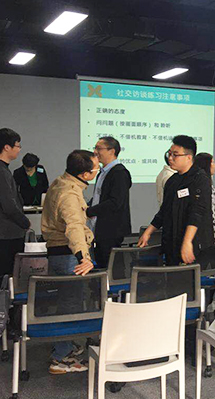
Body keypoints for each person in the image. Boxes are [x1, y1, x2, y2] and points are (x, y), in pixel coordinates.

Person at [42, 149, 99, 374]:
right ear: (85, 174)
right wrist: (83, 257)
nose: (97, 171)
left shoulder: (61, 182)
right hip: (68, 256)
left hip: (59, 253)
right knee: (70, 305)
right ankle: (60, 358)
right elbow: (74, 227)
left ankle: (64, 346)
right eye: (95, 169)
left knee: (65, 303)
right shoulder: (70, 195)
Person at [139, 136, 214, 265]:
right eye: (169, 154)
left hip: (194, 244)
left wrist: (187, 241)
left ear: (189, 157)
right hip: (173, 242)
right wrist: (148, 232)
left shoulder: (200, 179)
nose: (170, 158)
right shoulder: (172, 181)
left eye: (175, 155)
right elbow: (164, 210)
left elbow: (197, 212)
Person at [86, 137, 132, 267]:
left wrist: (90, 211)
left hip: (112, 229)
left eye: (99, 149)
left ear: (112, 151)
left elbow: (115, 202)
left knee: (112, 267)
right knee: (101, 263)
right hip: (100, 228)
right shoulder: (102, 172)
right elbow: (99, 197)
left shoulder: (119, 173)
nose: (95, 152)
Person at [0, 128, 30, 278]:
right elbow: (9, 205)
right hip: (7, 234)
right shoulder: (2, 172)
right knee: (8, 276)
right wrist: (25, 222)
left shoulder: (5, 170)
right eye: (17, 146)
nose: (19, 149)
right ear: (7, 147)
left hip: (8, 232)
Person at [194, 152, 215, 243]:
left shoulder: (203, 182)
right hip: (208, 232)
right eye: (212, 162)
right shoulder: (205, 185)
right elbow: (213, 211)